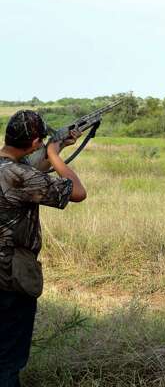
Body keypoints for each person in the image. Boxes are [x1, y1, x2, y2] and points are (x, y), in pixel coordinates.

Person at [0, 110, 86, 387]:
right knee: (7, 361)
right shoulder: (22, 175)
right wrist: (56, 154)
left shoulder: (11, 170)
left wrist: (56, 145)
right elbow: (77, 192)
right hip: (10, 276)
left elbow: (21, 173)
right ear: (35, 142)